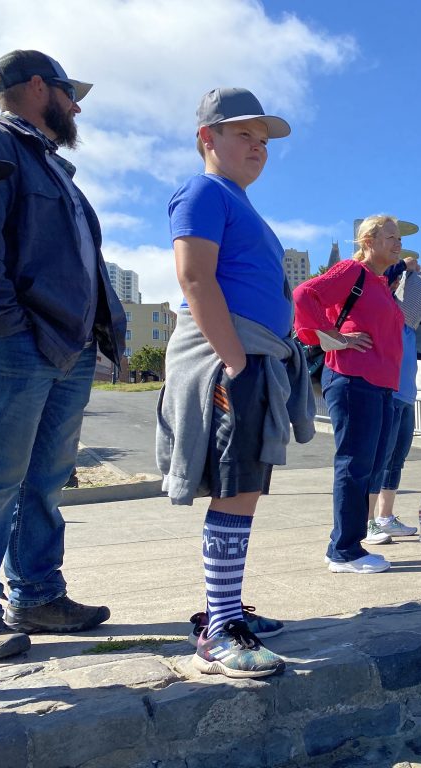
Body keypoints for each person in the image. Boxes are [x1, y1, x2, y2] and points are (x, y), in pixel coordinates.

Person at [158, 87, 315, 678]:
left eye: (263, 139)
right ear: (208, 139)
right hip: (233, 359)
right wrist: (237, 362)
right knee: (236, 488)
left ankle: (218, 609)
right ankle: (220, 629)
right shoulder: (202, 190)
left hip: (255, 357)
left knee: (244, 486)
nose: (258, 147)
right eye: (243, 134)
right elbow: (195, 277)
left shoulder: (241, 203)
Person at [0, 50, 127, 664]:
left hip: (66, 348)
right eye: (71, 94)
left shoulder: (56, 170)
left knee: (43, 482)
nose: (76, 107)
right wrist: (8, 327)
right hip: (19, 344)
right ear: (38, 86)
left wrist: (100, 336)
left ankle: (37, 595)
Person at [294, 215, 404, 573]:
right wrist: (336, 336)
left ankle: (348, 544)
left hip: (381, 385)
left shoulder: (381, 283)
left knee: (370, 466)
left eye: (398, 238)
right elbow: (304, 294)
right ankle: (344, 550)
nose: (397, 243)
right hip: (353, 379)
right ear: (368, 241)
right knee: (354, 465)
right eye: (390, 237)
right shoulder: (350, 271)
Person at [364, 257, 421, 543]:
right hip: (387, 392)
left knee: (396, 459)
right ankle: (367, 521)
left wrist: (411, 273)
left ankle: (385, 517)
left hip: (406, 394)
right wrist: (403, 265)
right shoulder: (385, 308)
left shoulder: (410, 320)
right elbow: (382, 280)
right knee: (378, 459)